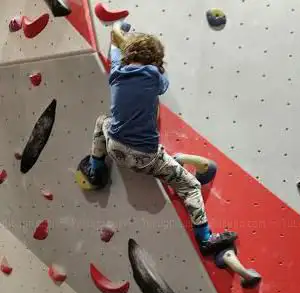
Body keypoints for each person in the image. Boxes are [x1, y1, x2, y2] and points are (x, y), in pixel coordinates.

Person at [79, 27, 237, 256]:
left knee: (102, 121)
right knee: (190, 185)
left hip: (115, 145)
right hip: (145, 157)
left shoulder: (116, 72)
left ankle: (96, 168)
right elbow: (164, 85)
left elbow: (114, 47)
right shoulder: (153, 75)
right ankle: (205, 239)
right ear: (154, 60)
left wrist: (118, 39)